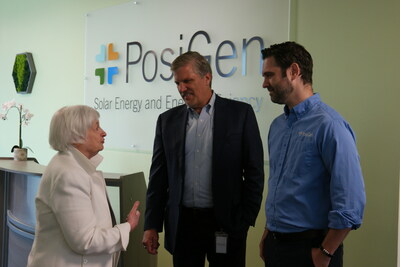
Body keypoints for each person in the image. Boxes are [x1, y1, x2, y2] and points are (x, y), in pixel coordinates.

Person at [142, 51, 264, 267]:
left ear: (207, 77)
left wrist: (245, 219)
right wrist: (151, 225)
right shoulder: (167, 121)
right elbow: (158, 178)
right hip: (183, 225)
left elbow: (254, 171)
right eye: (177, 83)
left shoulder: (240, 114)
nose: (181, 89)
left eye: (187, 81)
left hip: (226, 224)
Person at [259, 41, 366, 267]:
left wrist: (325, 253)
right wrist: (269, 232)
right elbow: (280, 185)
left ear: (294, 71)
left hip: (312, 250)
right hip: (276, 245)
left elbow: (351, 203)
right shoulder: (277, 126)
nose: (264, 83)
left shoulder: (330, 126)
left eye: (270, 75)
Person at [27, 105, 141, 267]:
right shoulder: (69, 173)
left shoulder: (72, 165)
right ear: (76, 135)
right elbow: (86, 241)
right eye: (96, 128)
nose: (103, 132)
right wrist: (127, 227)